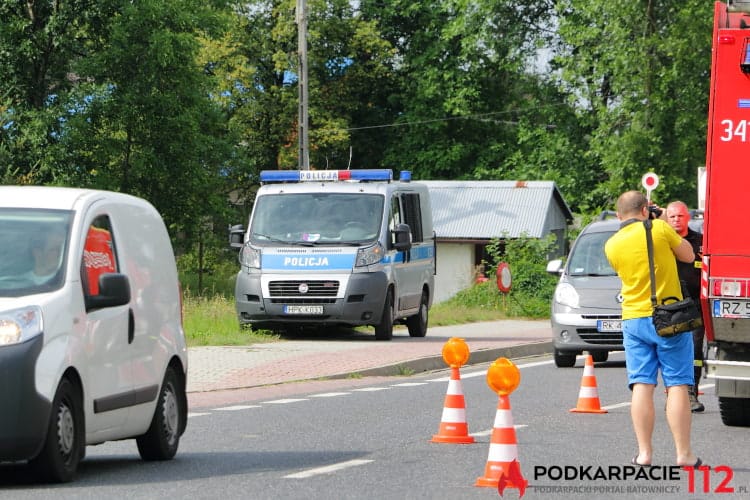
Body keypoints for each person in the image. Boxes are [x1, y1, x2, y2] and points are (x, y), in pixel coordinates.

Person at [604, 191, 701, 468]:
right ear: (646, 210)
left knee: (642, 385)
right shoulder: (659, 228)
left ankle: (644, 453)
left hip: (633, 319)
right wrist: (658, 221)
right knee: (678, 384)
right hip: (669, 318)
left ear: (619, 216)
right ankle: (683, 454)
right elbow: (688, 254)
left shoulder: (611, 244)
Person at [666, 201, 705, 413]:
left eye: (680, 216)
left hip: (695, 306)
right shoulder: (662, 242)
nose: (676, 220)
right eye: (672, 217)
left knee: (695, 351)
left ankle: (692, 393)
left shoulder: (700, 242)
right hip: (670, 307)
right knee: (671, 352)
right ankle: (673, 396)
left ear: (687, 217)